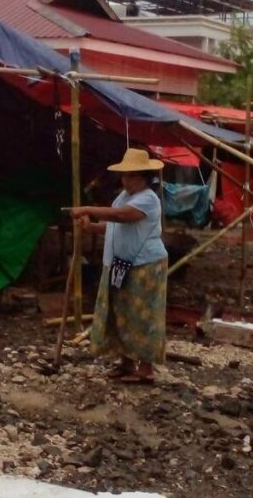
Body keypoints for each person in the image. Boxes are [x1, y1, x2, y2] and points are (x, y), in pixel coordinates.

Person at [72, 148, 168, 384]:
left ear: (144, 177)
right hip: (122, 263)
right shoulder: (124, 197)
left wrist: (87, 209)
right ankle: (126, 361)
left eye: (132, 176)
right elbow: (115, 224)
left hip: (145, 264)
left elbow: (122, 216)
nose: (126, 180)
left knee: (144, 315)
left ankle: (146, 368)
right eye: (124, 175)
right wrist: (93, 227)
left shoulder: (148, 198)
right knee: (122, 311)